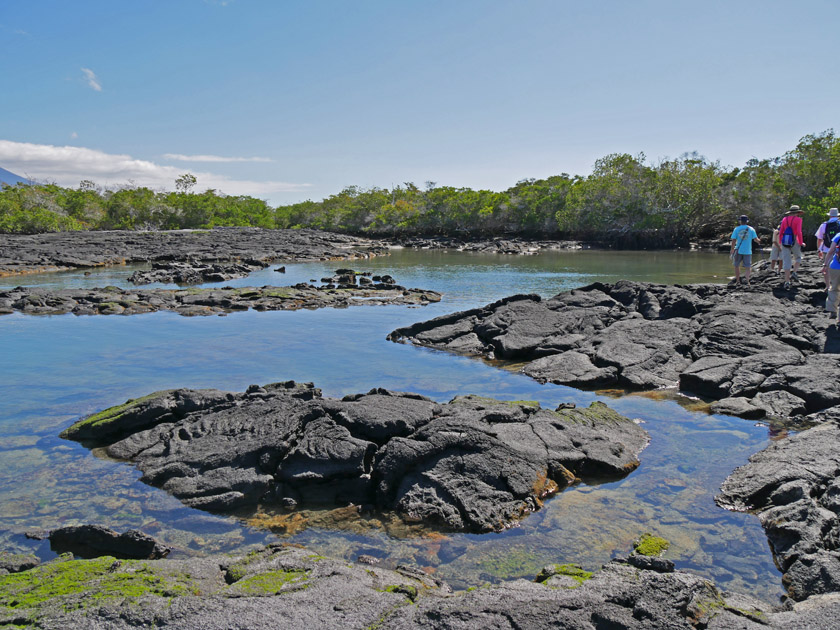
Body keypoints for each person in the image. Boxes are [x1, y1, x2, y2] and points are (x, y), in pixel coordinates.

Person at [729, 214, 760, 287]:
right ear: (747, 221)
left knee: (736, 265)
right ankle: (747, 281)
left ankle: (738, 281)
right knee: (748, 267)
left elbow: (733, 240)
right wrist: (759, 241)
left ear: (740, 221)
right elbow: (756, 239)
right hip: (747, 251)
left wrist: (732, 249)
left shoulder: (736, 229)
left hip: (738, 249)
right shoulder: (751, 229)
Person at [779, 205, 805, 290]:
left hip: (784, 240)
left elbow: (781, 231)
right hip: (794, 240)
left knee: (787, 260)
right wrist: (801, 242)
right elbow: (799, 232)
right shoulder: (799, 220)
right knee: (798, 257)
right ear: (797, 213)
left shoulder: (784, 219)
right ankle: (794, 272)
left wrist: (780, 242)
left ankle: (787, 281)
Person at [816, 207, 840, 290]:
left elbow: (819, 238)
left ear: (830, 216)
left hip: (826, 249)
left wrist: (819, 250)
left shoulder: (824, 225)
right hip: (838, 250)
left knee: (826, 268)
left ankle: (827, 286)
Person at [823, 230, 840, 324]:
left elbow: (830, 251)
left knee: (834, 289)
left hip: (835, 267)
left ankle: (833, 310)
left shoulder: (838, 235)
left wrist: (825, 265)